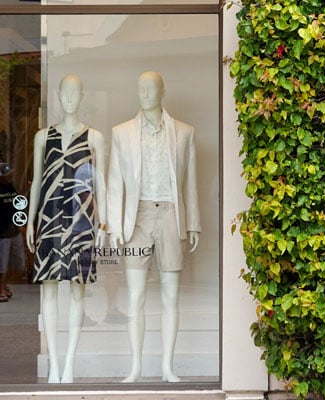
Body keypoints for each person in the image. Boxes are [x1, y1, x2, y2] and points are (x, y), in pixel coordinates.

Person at [107, 71, 200, 383]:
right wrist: (115, 224)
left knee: (170, 296)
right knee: (135, 296)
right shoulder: (121, 133)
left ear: (163, 91)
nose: (145, 93)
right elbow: (114, 182)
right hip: (138, 219)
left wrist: (193, 222)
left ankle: (167, 367)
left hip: (172, 214)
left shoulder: (184, 132)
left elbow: (190, 183)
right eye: (141, 88)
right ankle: (135, 368)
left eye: (151, 88)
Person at [25, 75, 106, 384]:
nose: (70, 97)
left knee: (77, 289)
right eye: (65, 92)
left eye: (75, 91)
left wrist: (102, 221)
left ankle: (69, 364)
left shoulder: (94, 136)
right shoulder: (42, 137)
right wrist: (31, 221)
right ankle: (54, 365)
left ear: (82, 95)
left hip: (83, 221)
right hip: (48, 219)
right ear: (58, 96)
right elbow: (36, 182)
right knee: (48, 292)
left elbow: (100, 182)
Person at [0, 163, 25, 302]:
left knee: (18, 262)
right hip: (2, 233)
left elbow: (16, 203)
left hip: (14, 230)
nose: (10, 177)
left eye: (10, 174)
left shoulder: (10, 185)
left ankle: (4, 284)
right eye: (7, 175)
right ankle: (1, 287)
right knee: (2, 264)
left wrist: (21, 222)